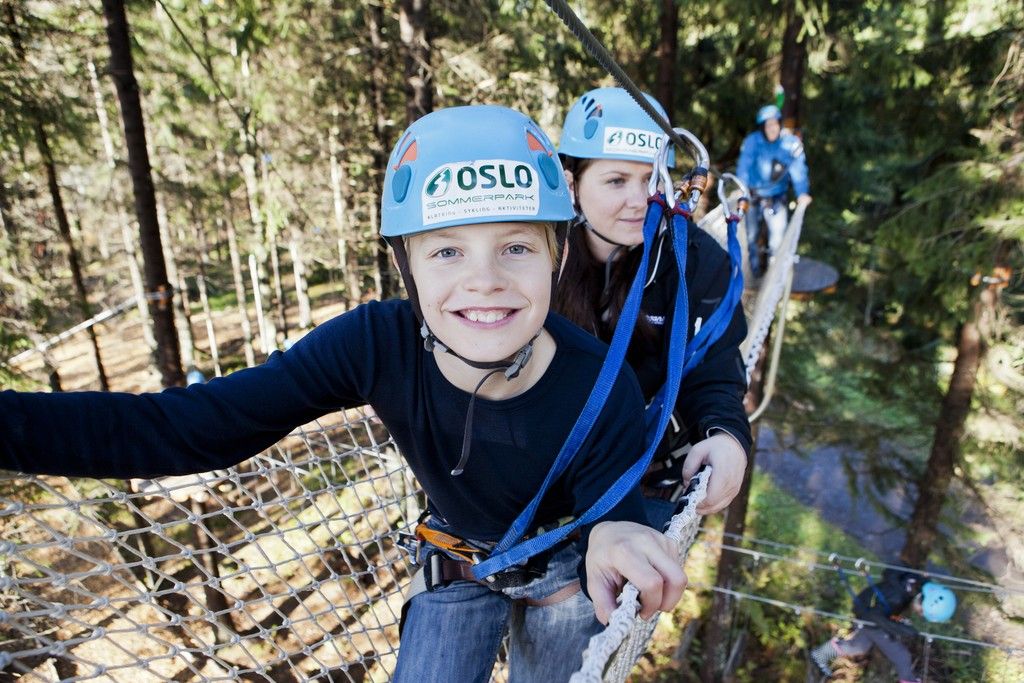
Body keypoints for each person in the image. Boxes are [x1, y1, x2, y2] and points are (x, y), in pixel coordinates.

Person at [0, 105, 687, 683]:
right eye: (446, 251)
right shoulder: (376, 344)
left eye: (516, 248)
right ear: (406, 267)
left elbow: (613, 516)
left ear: (557, 255)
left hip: (567, 573)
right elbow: (190, 427)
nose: (484, 280)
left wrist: (619, 532)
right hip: (459, 562)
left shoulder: (601, 381)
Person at [554, 86, 751, 529]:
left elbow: (715, 370)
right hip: (548, 460)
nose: (641, 200)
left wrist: (726, 436)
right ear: (572, 184)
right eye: (616, 181)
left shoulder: (696, 263)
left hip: (647, 466)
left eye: (652, 179)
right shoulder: (537, 257)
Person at [810, 570, 957, 682]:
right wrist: (905, 629)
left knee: (859, 646)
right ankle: (909, 680)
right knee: (902, 656)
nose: (920, 614)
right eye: (922, 612)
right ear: (923, 600)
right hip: (869, 614)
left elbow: (890, 572)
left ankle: (820, 654)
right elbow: (875, 617)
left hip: (870, 608)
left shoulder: (915, 582)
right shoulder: (897, 597)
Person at [735, 103, 812, 276]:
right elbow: (743, 167)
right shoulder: (752, 142)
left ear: (780, 124)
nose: (772, 128)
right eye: (768, 125)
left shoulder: (789, 144)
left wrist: (802, 193)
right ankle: (754, 272)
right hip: (753, 197)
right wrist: (742, 188)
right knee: (751, 238)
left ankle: (773, 277)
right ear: (762, 127)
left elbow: (799, 170)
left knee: (777, 242)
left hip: (777, 199)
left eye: (775, 123)